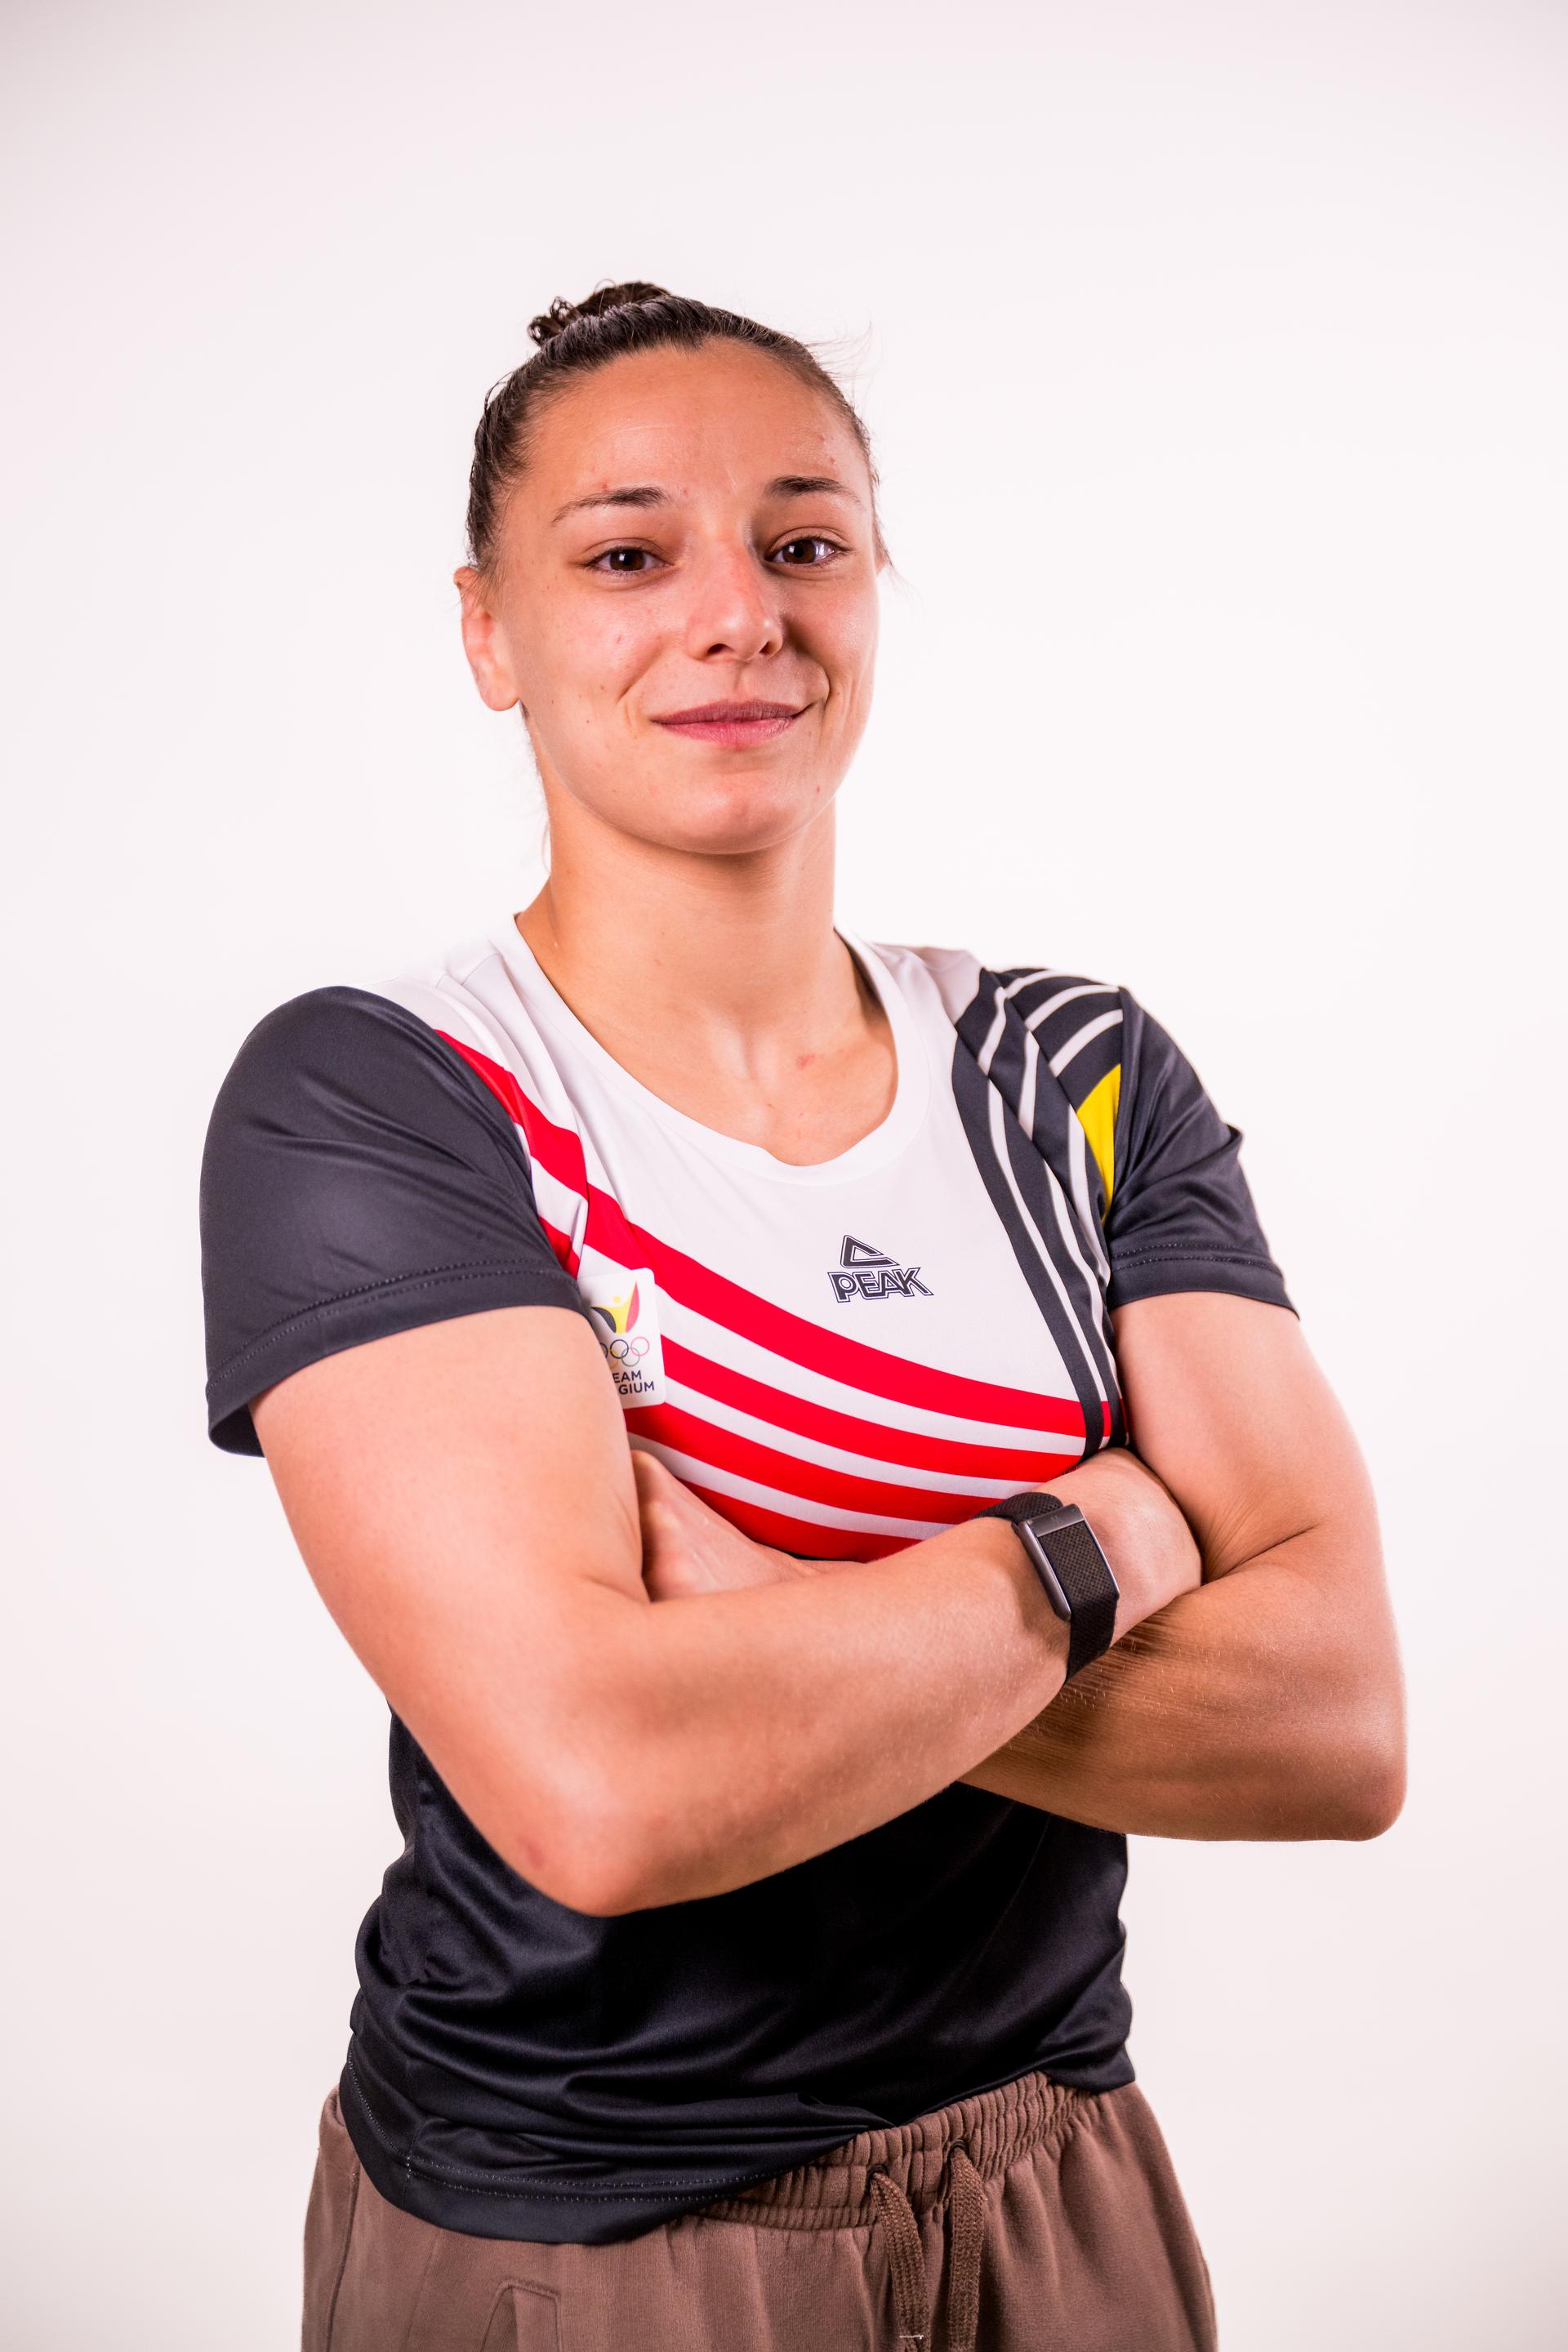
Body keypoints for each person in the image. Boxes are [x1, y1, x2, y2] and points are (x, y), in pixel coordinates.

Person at [199, 283, 1405, 2352]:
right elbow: (607, 1791)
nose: (737, 612)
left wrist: (769, 1628)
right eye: (626, 552)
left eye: (805, 540)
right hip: (587, 2238)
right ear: (489, 631)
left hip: (1061, 2177)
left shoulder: (1076, 1071)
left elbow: (1336, 1728)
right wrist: (1093, 1543)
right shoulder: (389, 1093)